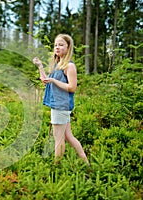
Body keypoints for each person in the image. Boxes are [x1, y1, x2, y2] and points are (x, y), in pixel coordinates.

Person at [33, 34, 89, 164]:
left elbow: (72, 87)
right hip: (57, 104)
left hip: (61, 105)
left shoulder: (69, 66)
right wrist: (40, 67)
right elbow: (46, 81)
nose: (57, 47)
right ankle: (86, 163)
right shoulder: (58, 64)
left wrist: (53, 80)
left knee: (58, 138)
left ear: (68, 47)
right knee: (68, 137)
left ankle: (56, 166)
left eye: (61, 44)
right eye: (55, 45)